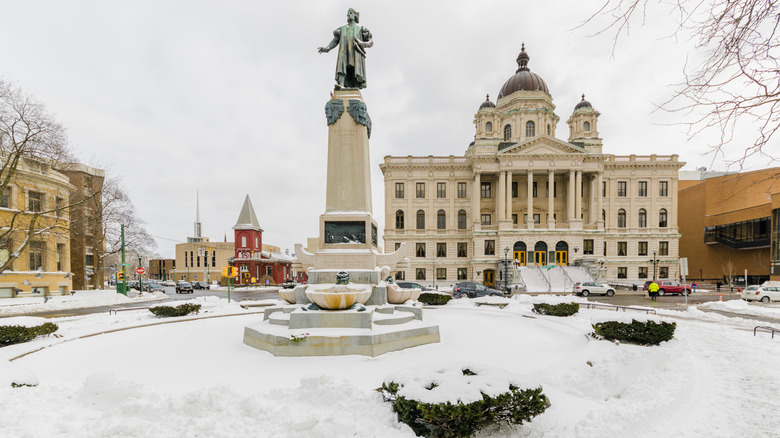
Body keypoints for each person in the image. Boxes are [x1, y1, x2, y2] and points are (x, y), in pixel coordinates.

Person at [318, 8, 374, 89]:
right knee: (342, 66)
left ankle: (355, 86)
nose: (348, 15)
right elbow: (336, 40)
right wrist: (327, 48)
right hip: (344, 50)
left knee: (355, 67)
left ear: (355, 15)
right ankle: (341, 85)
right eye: (347, 14)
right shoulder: (342, 28)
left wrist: (363, 44)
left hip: (355, 51)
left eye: (350, 13)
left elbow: (371, 41)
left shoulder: (361, 28)